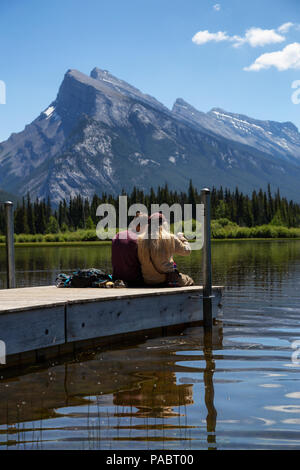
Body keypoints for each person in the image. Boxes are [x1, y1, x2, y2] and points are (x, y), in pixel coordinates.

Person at [137, 212, 194, 287]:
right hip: (167, 279)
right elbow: (187, 251)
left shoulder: (140, 240)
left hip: (148, 280)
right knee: (189, 280)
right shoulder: (170, 238)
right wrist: (182, 239)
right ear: (164, 224)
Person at [111, 212, 148, 286]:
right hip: (135, 281)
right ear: (143, 226)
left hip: (116, 279)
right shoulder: (140, 240)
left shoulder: (118, 235)